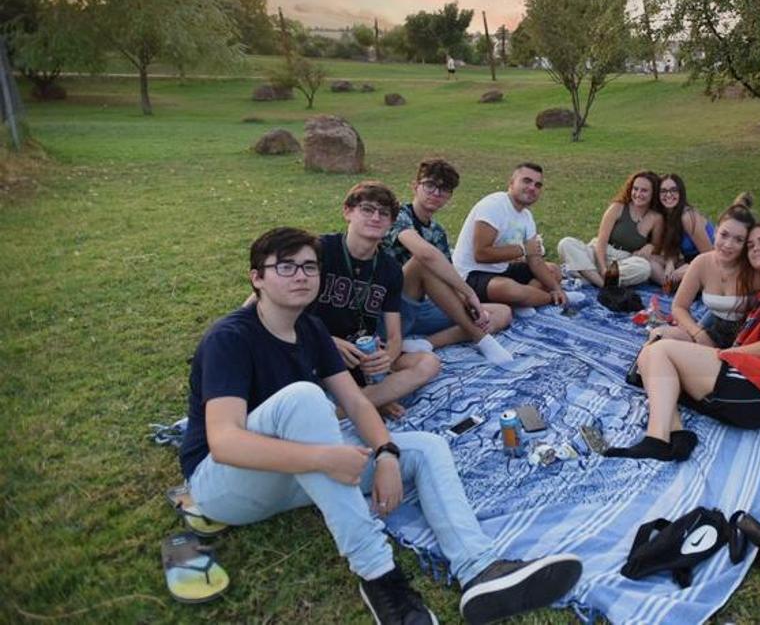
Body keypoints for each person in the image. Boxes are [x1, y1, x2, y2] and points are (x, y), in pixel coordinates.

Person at [180, 227, 583, 625]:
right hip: (225, 486)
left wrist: (387, 453)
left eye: (309, 267)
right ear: (257, 278)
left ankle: (480, 568)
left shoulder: (311, 329)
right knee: (305, 398)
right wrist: (324, 457)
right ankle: (379, 576)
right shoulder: (230, 337)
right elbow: (225, 443)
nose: (301, 276)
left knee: (424, 446)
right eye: (286, 267)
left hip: (294, 475)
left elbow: (354, 402)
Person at [605, 223, 760, 461]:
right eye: (750, 245)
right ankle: (676, 434)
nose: (755, 248)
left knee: (659, 353)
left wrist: (724, 354)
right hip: (751, 389)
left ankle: (657, 439)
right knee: (652, 353)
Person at [247, 181, 440, 415]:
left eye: (384, 213)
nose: (376, 217)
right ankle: (365, 402)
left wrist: (385, 359)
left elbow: (394, 335)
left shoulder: (389, 269)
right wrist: (326, 341)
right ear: (347, 212)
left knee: (429, 363)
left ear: (391, 223)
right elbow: (266, 299)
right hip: (309, 347)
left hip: (359, 355)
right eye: (367, 209)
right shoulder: (320, 250)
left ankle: (350, 406)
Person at [382, 159, 515, 365]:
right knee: (421, 263)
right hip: (393, 306)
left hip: (424, 307)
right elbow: (426, 255)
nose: (436, 193)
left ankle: (427, 343)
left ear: (449, 197)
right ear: (415, 186)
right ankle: (482, 339)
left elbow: (448, 273)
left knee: (502, 312)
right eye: (430, 185)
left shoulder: (437, 231)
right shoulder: (398, 216)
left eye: (444, 189)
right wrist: (469, 292)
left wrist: (468, 303)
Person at [452, 163, 583, 316]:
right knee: (509, 289)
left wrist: (557, 288)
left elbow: (535, 260)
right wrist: (522, 250)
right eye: (526, 181)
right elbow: (480, 254)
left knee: (553, 270)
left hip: (501, 270)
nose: (532, 188)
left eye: (538, 185)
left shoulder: (527, 217)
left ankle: (525, 300)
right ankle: (548, 299)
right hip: (472, 274)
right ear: (511, 183)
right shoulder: (493, 205)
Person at [650, 195, 758, 349]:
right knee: (658, 337)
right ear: (715, 232)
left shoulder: (755, 269)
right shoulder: (702, 262)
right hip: (711, 330)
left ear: (747, 244)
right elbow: (679, 306)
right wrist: (698, 333)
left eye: (738, 240)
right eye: (724, 235)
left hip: (746, 340)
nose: (728, 244)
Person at [556, 171, 663, 288]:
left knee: (644, 268)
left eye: (644, 190)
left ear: (654, 193)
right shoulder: (618, 207)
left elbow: (657, 247)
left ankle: (589, 276)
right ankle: (604, 285)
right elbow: (601, 241)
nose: (638, 194)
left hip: (624, 261)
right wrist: (603, 269)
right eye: (635, 189)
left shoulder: (656, 218)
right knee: (566, 243)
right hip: (600, 253)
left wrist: (651, 246)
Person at [653, 173, 713, 288]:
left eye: (673, 190)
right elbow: (673, 248)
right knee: (650, 262)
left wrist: (688, 268)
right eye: (663, 191)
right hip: (688, 262)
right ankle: (671, 284)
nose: (669, 195)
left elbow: (710, 255)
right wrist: (670, 263)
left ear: (681, 193)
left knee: (678, 274)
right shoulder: (667, 216)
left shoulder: (688, 217)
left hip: (709, 264)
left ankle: (676, 285)